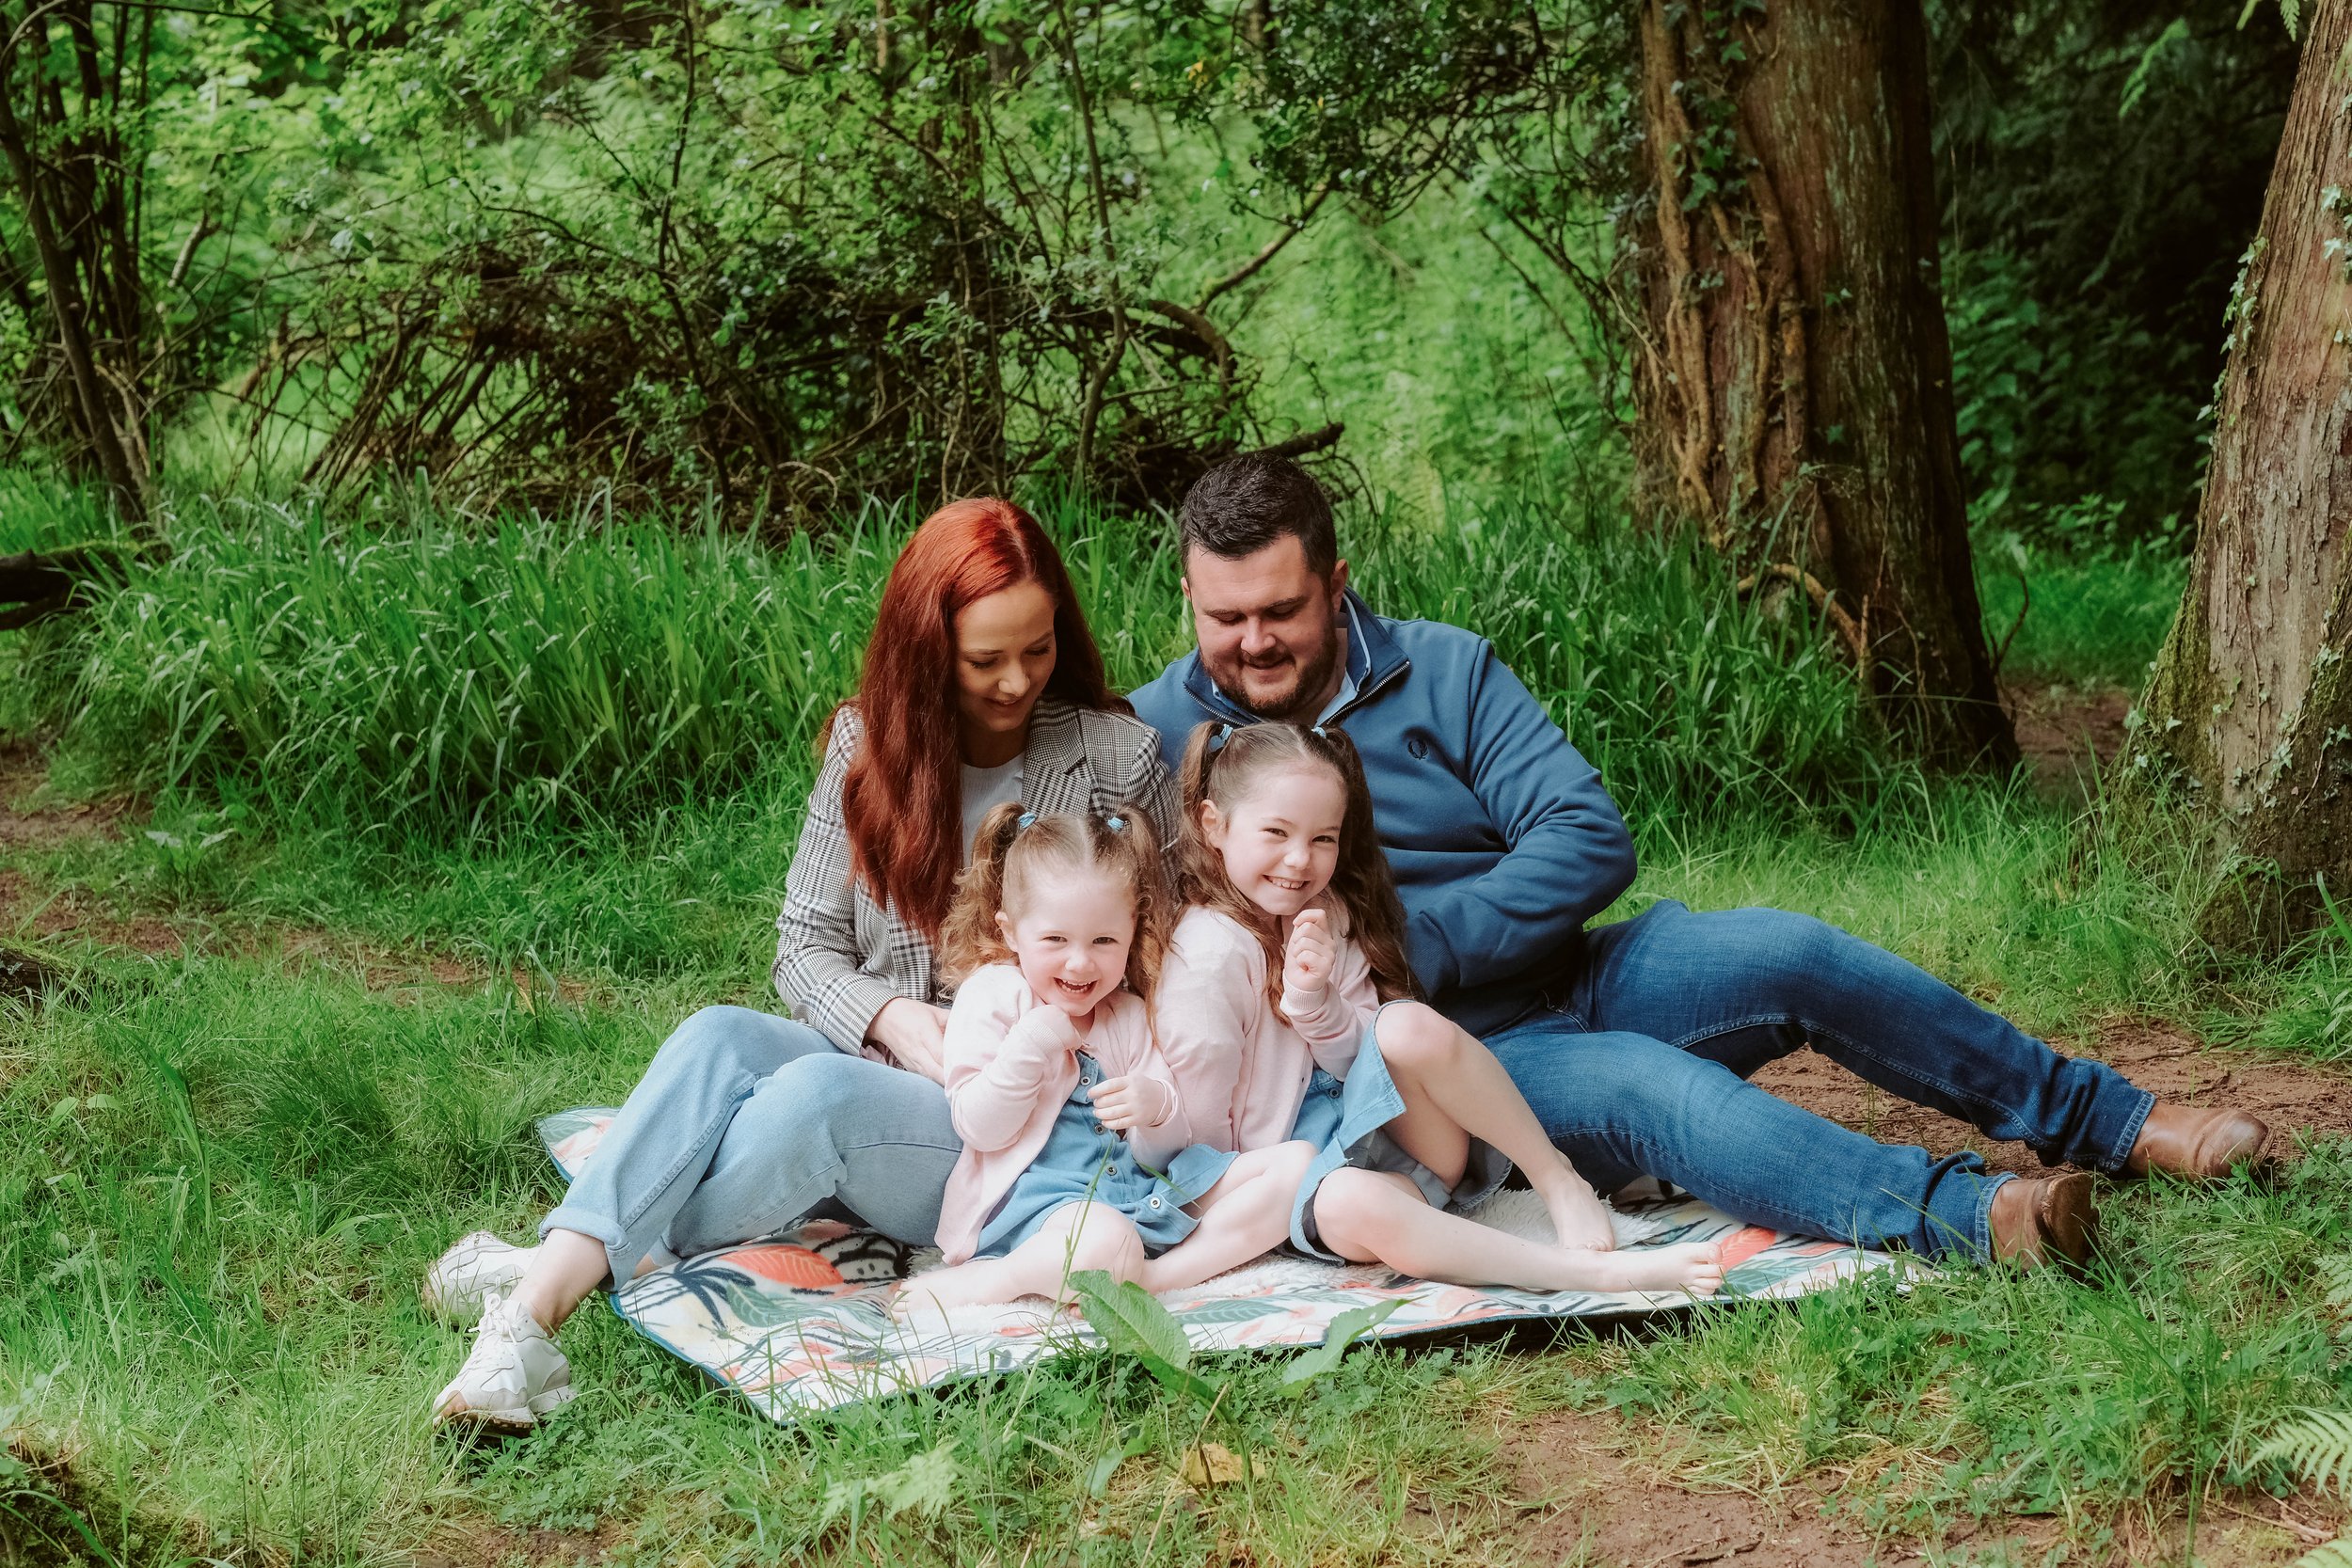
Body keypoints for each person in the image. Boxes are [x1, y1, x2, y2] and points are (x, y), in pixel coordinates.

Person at [1129, 453, 2274, 1270]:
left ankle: (2112, 1121)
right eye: (1222, 617)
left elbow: (1586, 835)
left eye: (1278, 608)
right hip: (1429, 1068)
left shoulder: (1445, 668)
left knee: (1786, 945)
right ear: (1189, 596)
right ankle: (1975, 1216)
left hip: (1570, 964)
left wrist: (1414, 940)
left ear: (1334, 583)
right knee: (1652, 1088)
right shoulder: (1153, 742)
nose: (1252, 642)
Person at [425, 498, 1180, 1432]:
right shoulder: (872, 744)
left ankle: (551, 1268)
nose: (1015, 679)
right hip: (887, 1053)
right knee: (716, 1033)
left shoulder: (1117, 757)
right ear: (926, 647)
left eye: (1037, 648)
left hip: (1012, 1114)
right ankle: (534, 1314)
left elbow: (1158, 949)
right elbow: (802, 945)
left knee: (811, 1096)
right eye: (985, 658)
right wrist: (892, 1019)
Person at [1155, 720, 1725, 1296]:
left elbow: (1362, 1061)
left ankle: (1558, 1179)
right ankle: (1585, 1275)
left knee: (1401, 1024)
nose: (1300, 860)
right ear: (1214, 826)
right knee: (1353, 1201)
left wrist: (1315, 1001)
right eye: (1276, 832)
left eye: (1323, 838)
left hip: (1390, 1145)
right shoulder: (1207, 956)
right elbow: (1196, 1144)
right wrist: (1279, 1189)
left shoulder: (1322, 914)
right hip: (1306, 1189)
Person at [892, 806, 1315, 1313]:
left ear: (1131, 932)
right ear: (1009, 931)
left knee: (1298, 1164)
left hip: (1139, 1192)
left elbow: (1162, 1153)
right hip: (1049, 1210)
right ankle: (1002, 1279)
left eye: (1104, 940)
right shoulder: (993, 998)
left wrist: (1156, 1107)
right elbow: (979, 1127)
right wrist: (1029, 1046)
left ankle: (1152, 1278)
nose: (1079, 961)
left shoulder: (1127, 1014)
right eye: (1054, 939)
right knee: (1107, 1242)